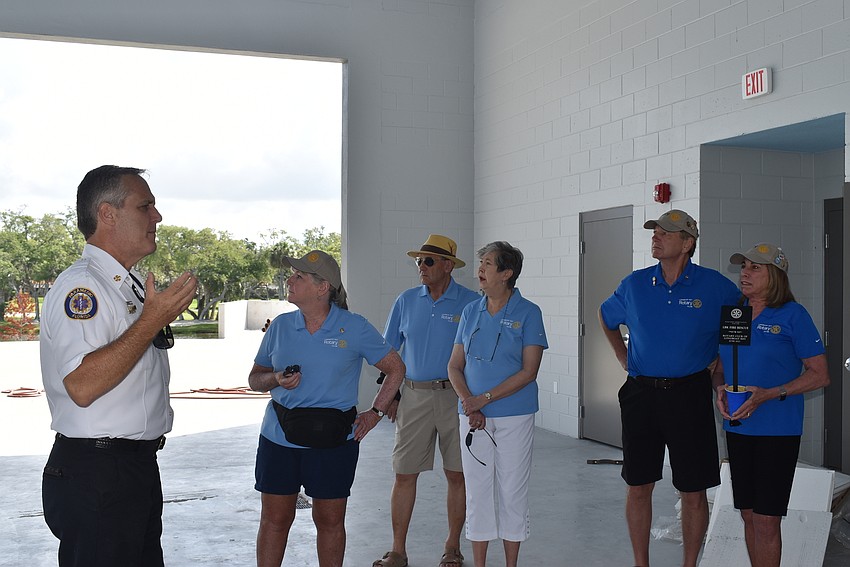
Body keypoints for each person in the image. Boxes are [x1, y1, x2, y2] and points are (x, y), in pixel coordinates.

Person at [40, 165, 198, 567]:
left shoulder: (122, 284)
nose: (157, 217)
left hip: (130, 469)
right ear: (107, 214)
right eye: (145, 206)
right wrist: (149, 321)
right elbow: (82, 385)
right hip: (98, 475)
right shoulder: (84, 287)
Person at [598, 209, 739, 567]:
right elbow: (606, 315)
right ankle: (640, 563)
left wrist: (720, 374)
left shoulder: (717, 287)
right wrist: (623, 356)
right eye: (655, 232)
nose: (655, 238)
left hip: (689, 394)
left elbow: (737, 334)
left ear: (688, 243)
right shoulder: (635, 284)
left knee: (693, 489)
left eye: (666, 233)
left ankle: (689, 564)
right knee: (638, 485)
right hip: (640, 394)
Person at [248, 249, 405, 567]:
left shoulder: (355, 327)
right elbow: (255, 379)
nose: (289, 280)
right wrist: (276, 378)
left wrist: (375, 413)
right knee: (275, 520)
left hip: (334, 442)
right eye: (292, 275)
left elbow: (395, 368)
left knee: (330, 521)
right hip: (279, 438)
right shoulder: (280, 326)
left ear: (323, 288)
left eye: (299, 276)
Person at [714, 243, 829, 567]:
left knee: (766, 519)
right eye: (744, 267)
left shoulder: (793, 315)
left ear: (775, 276)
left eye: (754, 268)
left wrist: (768, 393)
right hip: (738, 427)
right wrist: (719, 387)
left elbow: (820, 375)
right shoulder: (735, 313)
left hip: (777, 431)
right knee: (749, 514)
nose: (744, 273)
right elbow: (721, 367)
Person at [373, 235, 480, 567]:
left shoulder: (471, 303)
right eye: (418, 261)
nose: (422, 266)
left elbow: (477, 355)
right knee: (404, 474)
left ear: (448, 266)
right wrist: (390, 396)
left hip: (455, 398)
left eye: (429, 261)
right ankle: (398, 550)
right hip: (414, 398)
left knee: (457, 475)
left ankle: (452, 546)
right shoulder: (406, 301)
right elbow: (388, 353)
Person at [447, 241, 548, 567]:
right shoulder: (470, 311)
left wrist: (484, 399)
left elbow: (529, 371)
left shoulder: (528, 312)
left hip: (513, 416)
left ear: (507, 273)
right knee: (477, 493)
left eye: (488, 264)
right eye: (481, 263)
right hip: (472, 417)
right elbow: (454, 366)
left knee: (511, 493)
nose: (480, 270)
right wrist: (469, 403)